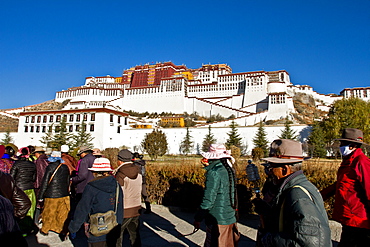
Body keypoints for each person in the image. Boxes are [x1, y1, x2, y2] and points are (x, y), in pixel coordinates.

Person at [253, 139, 331, 247]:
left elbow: (307, 242)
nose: (269, 172)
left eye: (271, 167)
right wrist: (267, 211)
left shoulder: (297, 195)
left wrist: (269, 239)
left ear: (285, 170)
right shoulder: (292, 189)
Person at [321, 128, 370, 246]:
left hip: (358, 221)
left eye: (343, 144)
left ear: (353, 145)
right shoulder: (348, 162)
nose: (340, 146)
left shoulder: (361, 162)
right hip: (348, 219)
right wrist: (319, 195)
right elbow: (339, 185)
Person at [69, 158, 123, 247]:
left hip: (96, 228)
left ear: (95, 172)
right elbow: (120, 207)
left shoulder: (91, 187)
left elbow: (83, 209)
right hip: (113, 227)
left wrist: (73, 227)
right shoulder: (116, 185)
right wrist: (118, 226)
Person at [194, 144, 239, 247]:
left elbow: (208, 199)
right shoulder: (229, 169)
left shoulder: (214, 173)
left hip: (217, 218)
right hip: (230, 216)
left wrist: (198, 218)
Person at [38, 151, 70, 238]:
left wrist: (40, 196)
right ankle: (62, 230)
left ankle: (45, 229)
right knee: (63, 214)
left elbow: (45, 182)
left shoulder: (50, 167)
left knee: (49, 213)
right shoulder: (65, 167)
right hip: (64, 194)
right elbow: (67, 182)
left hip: (51, 194)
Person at [114, 149, 142, 247]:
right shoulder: (139, 171)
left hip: (124, 209)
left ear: (120, 161)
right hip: (136, 206)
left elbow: (119, 193)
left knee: (117, 235)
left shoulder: (120, 174)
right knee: (134, 234)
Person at [10, 146, 38, 235]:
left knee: (19, 208)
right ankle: (28, 228)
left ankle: (19, 228)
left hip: (18, 189)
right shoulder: (32, 164)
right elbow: (34, 178)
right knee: (30, 209)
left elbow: (11, 177)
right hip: (30, 188)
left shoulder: (16, 164)